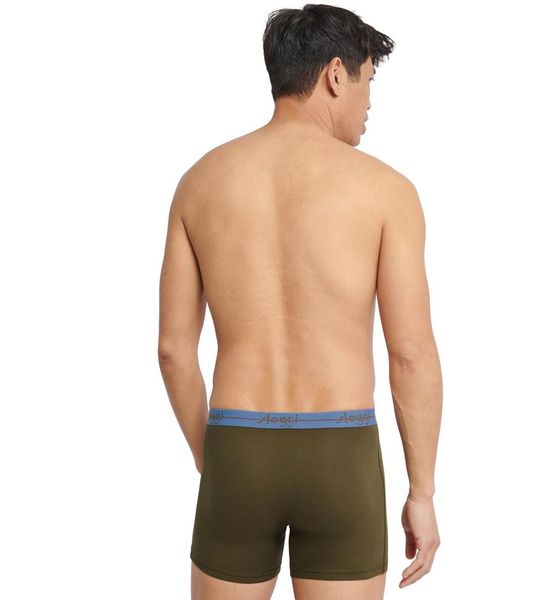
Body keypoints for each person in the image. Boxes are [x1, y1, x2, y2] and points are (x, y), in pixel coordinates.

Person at [158, 4, 442, 599]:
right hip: (342, 454)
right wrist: (422, 492)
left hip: (238, 445)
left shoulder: (199, 182)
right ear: (336, 74)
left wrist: (218, 463)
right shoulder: (387, 191)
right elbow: (411, 354)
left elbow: (173, 351)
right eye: (368, 81)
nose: (370, 103)